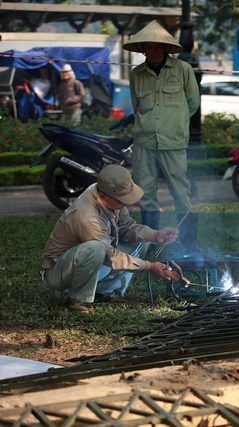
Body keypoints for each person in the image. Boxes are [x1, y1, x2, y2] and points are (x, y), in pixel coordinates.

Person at [40, 165, 180, 313]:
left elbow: (127, 227)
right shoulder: (86, 215)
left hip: (88, 261)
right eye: (121, 201)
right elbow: (110, 256)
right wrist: (149, 266)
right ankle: (77, 298)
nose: (125, 204)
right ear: (103, 196)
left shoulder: (110, 196)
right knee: (96, 248)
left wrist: (155, 235)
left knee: (141, 240)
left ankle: (102, 292)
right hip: (58, 271)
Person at [123, 20, 201, 251]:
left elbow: (193, 104)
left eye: (158, 47)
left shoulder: (183, 70)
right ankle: (150, 244)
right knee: (145, 194)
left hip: (173, 141)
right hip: (144, 142)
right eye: (149, 47)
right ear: (143, 49)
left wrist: (174, 123)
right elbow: (137, 105)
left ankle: (189, 244)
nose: (153, 51)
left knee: (180, 191)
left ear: (167, 48)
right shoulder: (136, 74)